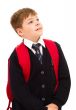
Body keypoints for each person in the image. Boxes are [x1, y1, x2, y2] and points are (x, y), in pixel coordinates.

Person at [8, 8, 71, 110]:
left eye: (37, 19)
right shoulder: (16, 55)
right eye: (31, 22)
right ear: (20, 31)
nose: (37, 23)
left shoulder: (55, 47)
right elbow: (18, 89)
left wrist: (56, 103)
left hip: (52, 107)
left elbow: (64, 78)